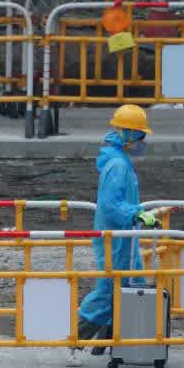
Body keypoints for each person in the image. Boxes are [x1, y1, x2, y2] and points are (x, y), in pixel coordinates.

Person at [75, 105, 162, 347]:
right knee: (108, 291)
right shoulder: (118, 165)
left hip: (123, 238)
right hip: (115, 239)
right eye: (140, 136)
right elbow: (110, 204)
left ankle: (114, 342)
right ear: (129, 135)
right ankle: (73, 340)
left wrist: (138, 214)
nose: (143, 142)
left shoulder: (120, 161)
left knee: (130, 286)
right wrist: (137, 213)